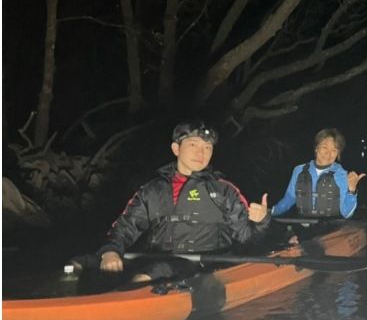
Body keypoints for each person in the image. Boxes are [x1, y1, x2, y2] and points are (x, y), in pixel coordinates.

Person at [77, 121, 270, 282]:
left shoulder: (225, 190)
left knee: (155, 271)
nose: (201, 153)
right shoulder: (152, 190)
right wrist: (110, 251)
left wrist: (260, 221)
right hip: (158, 257)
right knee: (79, 263)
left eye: (207, 148)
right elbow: (125, 227)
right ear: (176, 149)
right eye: (193, 145)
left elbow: (247, 240)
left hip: (208, 264)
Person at [271, 128, 366, 219]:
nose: (329, 154)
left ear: (338, 154)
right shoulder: (299, 170)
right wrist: (269, 212)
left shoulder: (342, 175)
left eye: (334, 150)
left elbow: (347, 214)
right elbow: (289, 199)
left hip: (330, 230)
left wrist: (351, 191)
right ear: (316, 148)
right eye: (325, 148)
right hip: (302, 227)